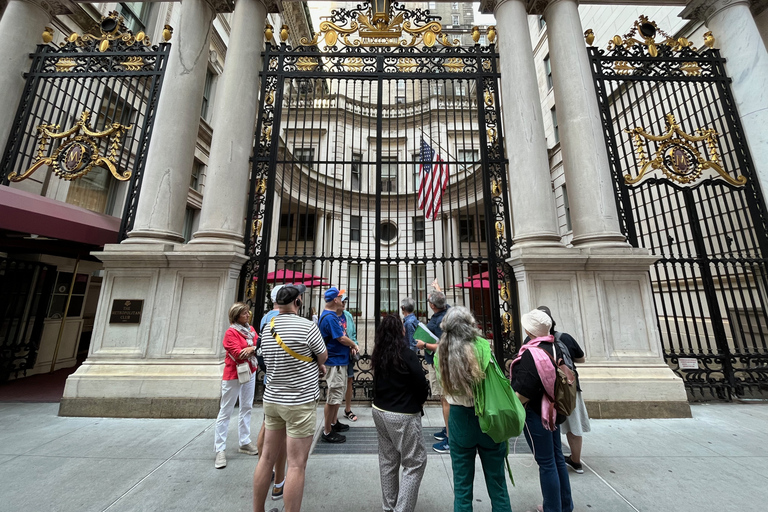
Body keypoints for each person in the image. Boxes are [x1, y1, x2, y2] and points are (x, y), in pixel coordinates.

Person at [252, 284, 328, 512]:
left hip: (272, 399)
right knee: (296, 465)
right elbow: (322, 356)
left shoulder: (268, 327)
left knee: (266, 458)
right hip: (299, 402)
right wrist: (315, 364)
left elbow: (264, 359)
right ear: (297, 302)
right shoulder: (307, 327)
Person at [435, 306, 512, 512]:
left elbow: (444, 388)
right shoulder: (482, 345)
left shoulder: (441, 350)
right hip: (488, 415)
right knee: (498, 486)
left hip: (459, 418)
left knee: (462, 488)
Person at [510, 309, 573, 512]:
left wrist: (511, 408)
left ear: (530, 330)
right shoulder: (557, 346)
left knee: (546, 462)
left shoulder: (532, 353)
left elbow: (524, 392)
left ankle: (552, 508)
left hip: (538, 413)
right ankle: (565, 505)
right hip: (555, 409)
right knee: (556, 458)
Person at [371, 314, 429, 512]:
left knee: (388, 461)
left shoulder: (378, 354)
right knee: (415, 463)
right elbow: (422, 384)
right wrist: (416, 403)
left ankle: (389, 506)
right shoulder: (407, 354)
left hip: (380, 411)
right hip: (403, 414)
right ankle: (401, 509)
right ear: (400, 332)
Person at [536, 306, 589, 475]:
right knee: (574, 424)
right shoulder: (564, 337)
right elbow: (581, 358)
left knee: (547, 422)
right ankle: (576, 460)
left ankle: (551, 457)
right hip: (569, 387)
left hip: (545, 391)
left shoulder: (533, 341)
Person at [214, 302, 259, 469]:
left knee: (246, 407)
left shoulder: (251, 330)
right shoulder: (231, 333)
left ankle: (244, 441)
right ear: (235, 316)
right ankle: (220, 449)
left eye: (247, 312)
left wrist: (252, 348)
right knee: (226, 411)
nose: (247, 315)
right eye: (244, 313)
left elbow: (258, 347)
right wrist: (253, 347)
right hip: (234, 374)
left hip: (251, 371)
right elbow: (238, 354)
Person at [319, 286, 358, 443]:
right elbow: (341, 338)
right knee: (333, 396)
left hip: (339, 360)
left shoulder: (331, 315)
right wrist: (354, 345)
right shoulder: (330, 317)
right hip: (334, 361)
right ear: (335, 300)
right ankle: (327, 431)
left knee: (337, 394)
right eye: (340, 297)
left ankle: (334, 422)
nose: (342, 300)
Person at [415, 280, 451, 453]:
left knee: (445, 398)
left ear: (432, 305)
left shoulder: (438, 321)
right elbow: (443, 300)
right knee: (445, 398)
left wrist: (424, 345)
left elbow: (444, 345)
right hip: (444, 362)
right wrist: (438, 289)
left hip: (440, 363)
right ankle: (448, 427)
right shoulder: (449, 311)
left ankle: (451, 438)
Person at [341, 293, 359, 422]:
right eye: (341, 301)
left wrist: (354, 345)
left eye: (344, 302)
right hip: (337, 355)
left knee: (349, 381)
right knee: (336, 384)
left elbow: (353, 333)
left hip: (348, 353)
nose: (343, 304)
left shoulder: (348, 315)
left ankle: (347, 409)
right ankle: (332, 414)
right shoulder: (331, 316)